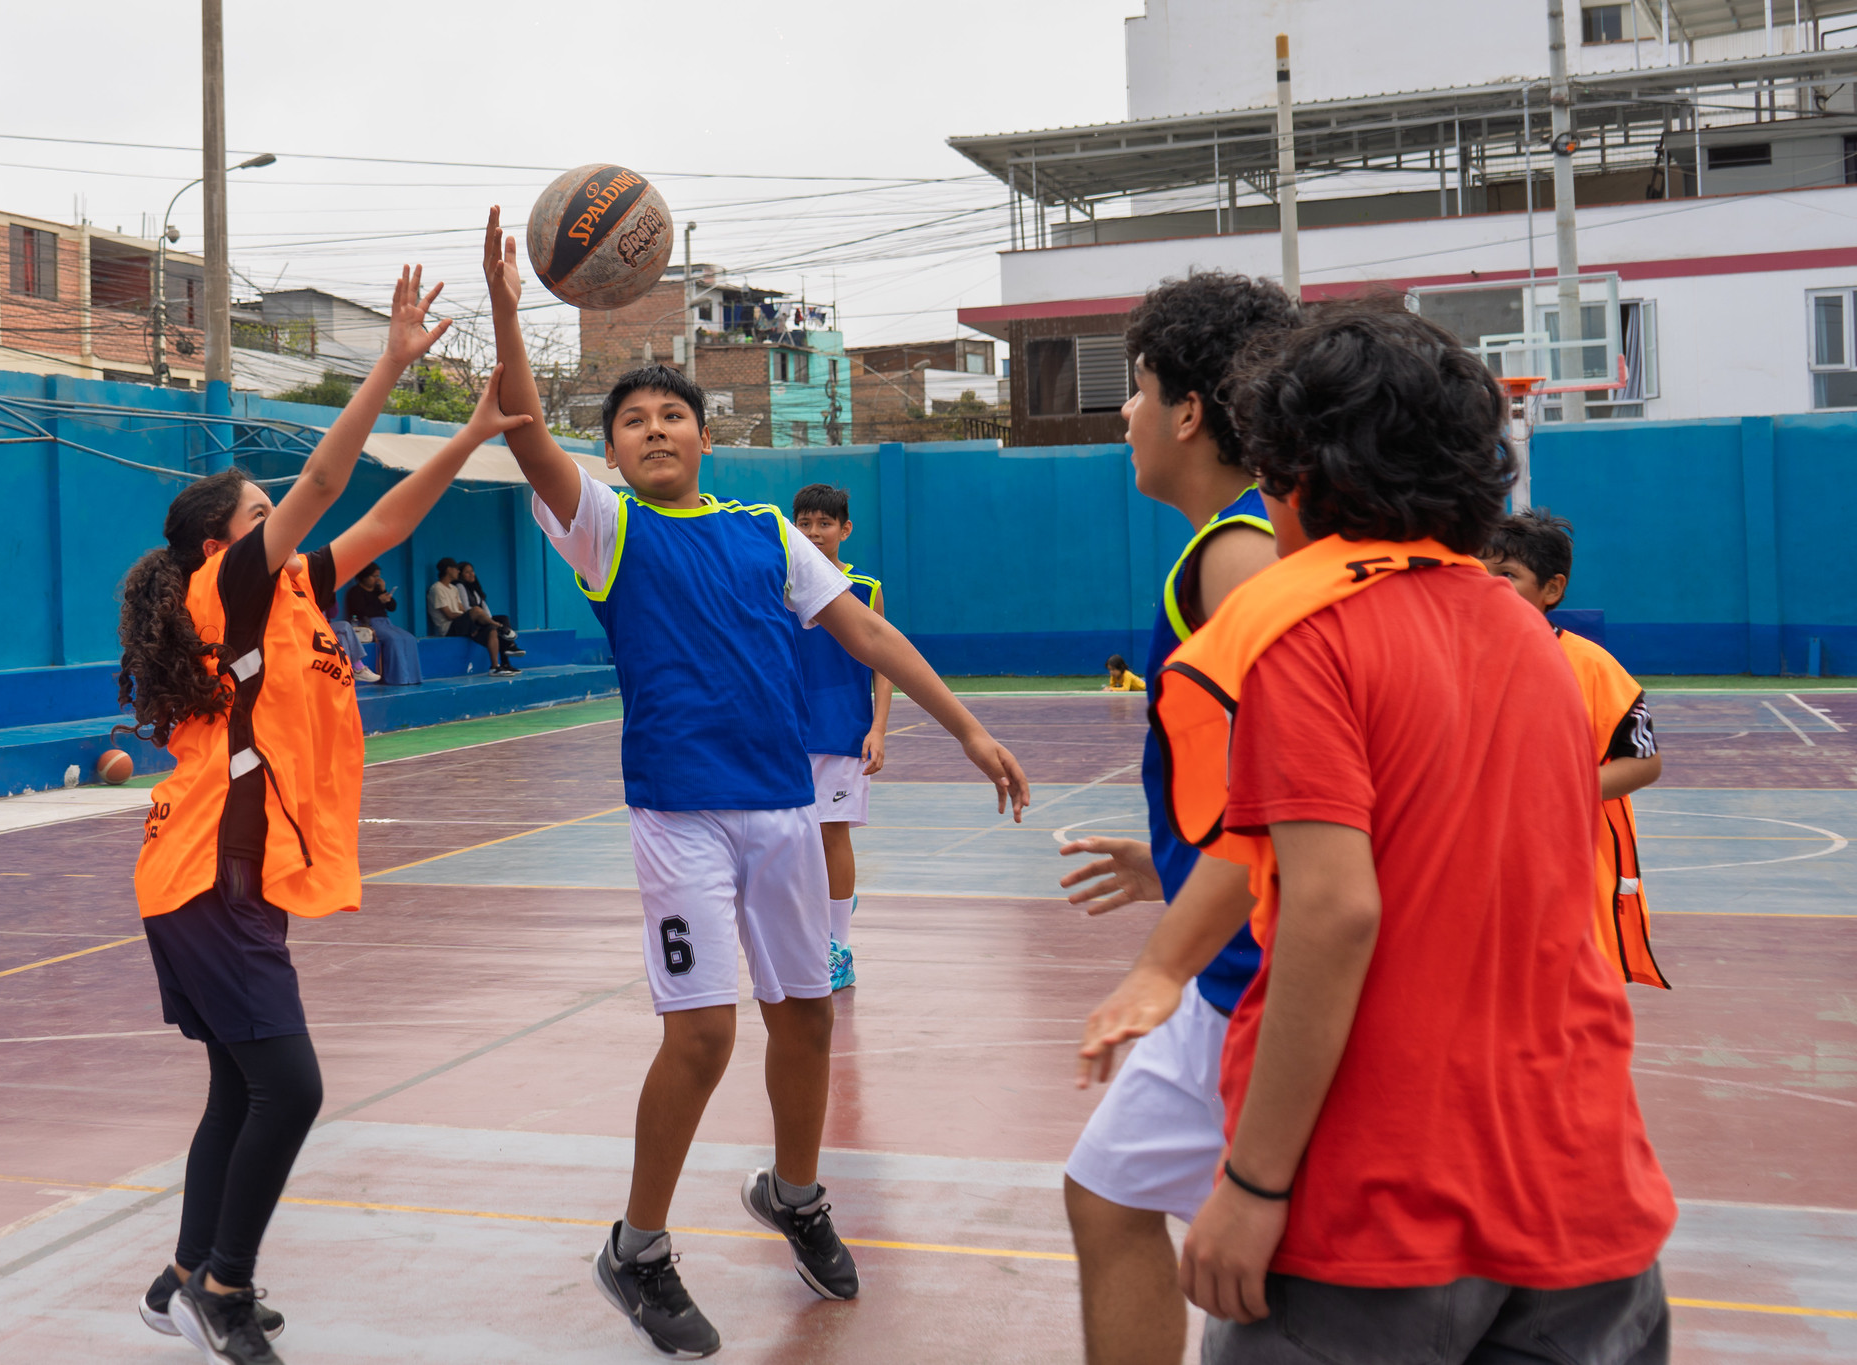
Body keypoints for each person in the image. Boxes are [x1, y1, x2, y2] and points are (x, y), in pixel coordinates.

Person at [484, 205, 1029, 1359]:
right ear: (615, 451)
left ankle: (793, 1190)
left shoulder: (767, 532)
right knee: (701, 1038)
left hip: (783, 811)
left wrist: (966, 729)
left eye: (670, 413)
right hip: (679, 819)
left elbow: (869, 640)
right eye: (630, 421)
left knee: (807, 1018)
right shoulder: (605, 531)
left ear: (702, 434)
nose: (651, 430)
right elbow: (527, 426)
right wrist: (507, 304)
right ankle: (636, 1247)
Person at [1157, 301, 1673, 1362]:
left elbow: (1336, 912)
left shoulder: (1302, 640)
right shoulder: (1529, 639)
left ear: (1292, 468)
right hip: (1579, 1179)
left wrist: (1254, 1181)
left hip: (1381, 1200)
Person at [117, 264, 531, 1365]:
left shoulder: (294, 587)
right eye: (261, 517)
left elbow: (389, 511)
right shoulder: (229, 591)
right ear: (221, 545)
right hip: (212, 872)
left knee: (240, 1083)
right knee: (289, 1089)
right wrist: (390, 363)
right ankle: (225, 1285)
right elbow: (327, 476)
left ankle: (180, 1274)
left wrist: (476, 431)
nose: (284, 522)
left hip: (218, 872)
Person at [1055, 271, 1297, 1365]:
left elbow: (1304, 783)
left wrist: (1167, 950)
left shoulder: (1238, 559)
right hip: (1230, 942)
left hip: (1257, 974)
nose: (1124, 413)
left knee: (1273, 1258)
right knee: (1105, 1192)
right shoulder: (1241, 540)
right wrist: (1177, 863)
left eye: (1137, 388)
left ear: (1189, 413)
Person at [1482, 509, 1669, 988]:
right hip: (1478, 861)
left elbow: (1644, 763)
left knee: (1568, 990)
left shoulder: (1592, 667)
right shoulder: (1446, 659)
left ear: (1552, 589)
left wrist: (1560, 787)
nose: (1488, 586)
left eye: (1507, 575)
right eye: (1476, 572)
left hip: (1569, 863)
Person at [789, 482, 890, 991]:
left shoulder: (866, 588)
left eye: (824, 524)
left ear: (844, 530)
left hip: (842, 732)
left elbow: (883, 661)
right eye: (803, 523)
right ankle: (827, 915)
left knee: (832, 834)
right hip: (786, 735)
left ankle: (839, 947)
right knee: (793, 843)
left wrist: (878, 727)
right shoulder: (779, 588)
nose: (813, 533)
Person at [344, 565, 422, 686]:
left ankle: (411, 677)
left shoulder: (377, 590)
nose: (377, 579)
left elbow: (392, 607)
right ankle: (397, 678)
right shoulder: (355, 592)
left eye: (378, 576)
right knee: (393, 639)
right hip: (368, 624)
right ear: (364, 576)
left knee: (409, 638)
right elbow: (359, 611)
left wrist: (384, 591)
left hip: (386, 622)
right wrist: (378, 601)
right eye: (374, 576)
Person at [457, 561, 524, 668]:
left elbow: (485, 608)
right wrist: (486, 619)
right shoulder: (460, 586)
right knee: (497, 628)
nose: (471, 574)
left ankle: (509, 651)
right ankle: (508, 651)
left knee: (503, 618)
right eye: (467, 572)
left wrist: (488, 619)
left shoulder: (474, 590)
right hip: (472, 621)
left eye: (472, 571)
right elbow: (467, 608)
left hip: (482, 618)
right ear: (460, 575)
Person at [316, 580, 381, 685]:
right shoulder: (309, 593)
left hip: (327, 628)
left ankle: (346, 672)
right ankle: (358, 667)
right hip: (315, 628)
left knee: (342, 638)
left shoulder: (325, 593)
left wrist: (331, 596)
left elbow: (333, 614)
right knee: (345, 626)